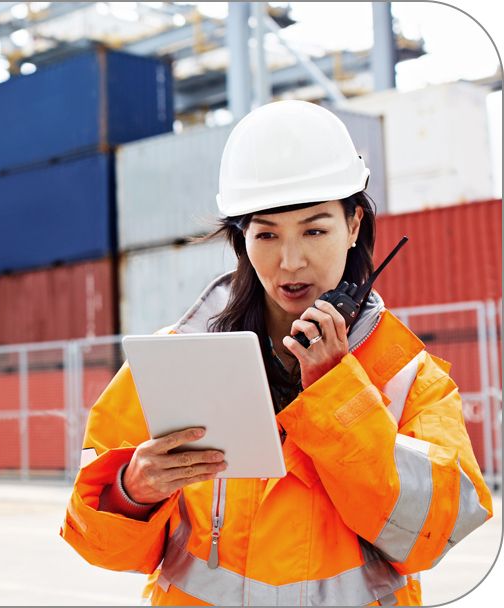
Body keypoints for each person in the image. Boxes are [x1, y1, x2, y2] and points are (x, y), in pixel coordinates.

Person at [60, 100, 493, 606]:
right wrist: (132, 490)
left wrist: (337, 393)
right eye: (266, 234)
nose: (291, 261)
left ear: (353, 226)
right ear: (242, 240)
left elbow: (436, 533)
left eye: (314, 230)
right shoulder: (174, 361)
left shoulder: (408, 379)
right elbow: (99, 545)